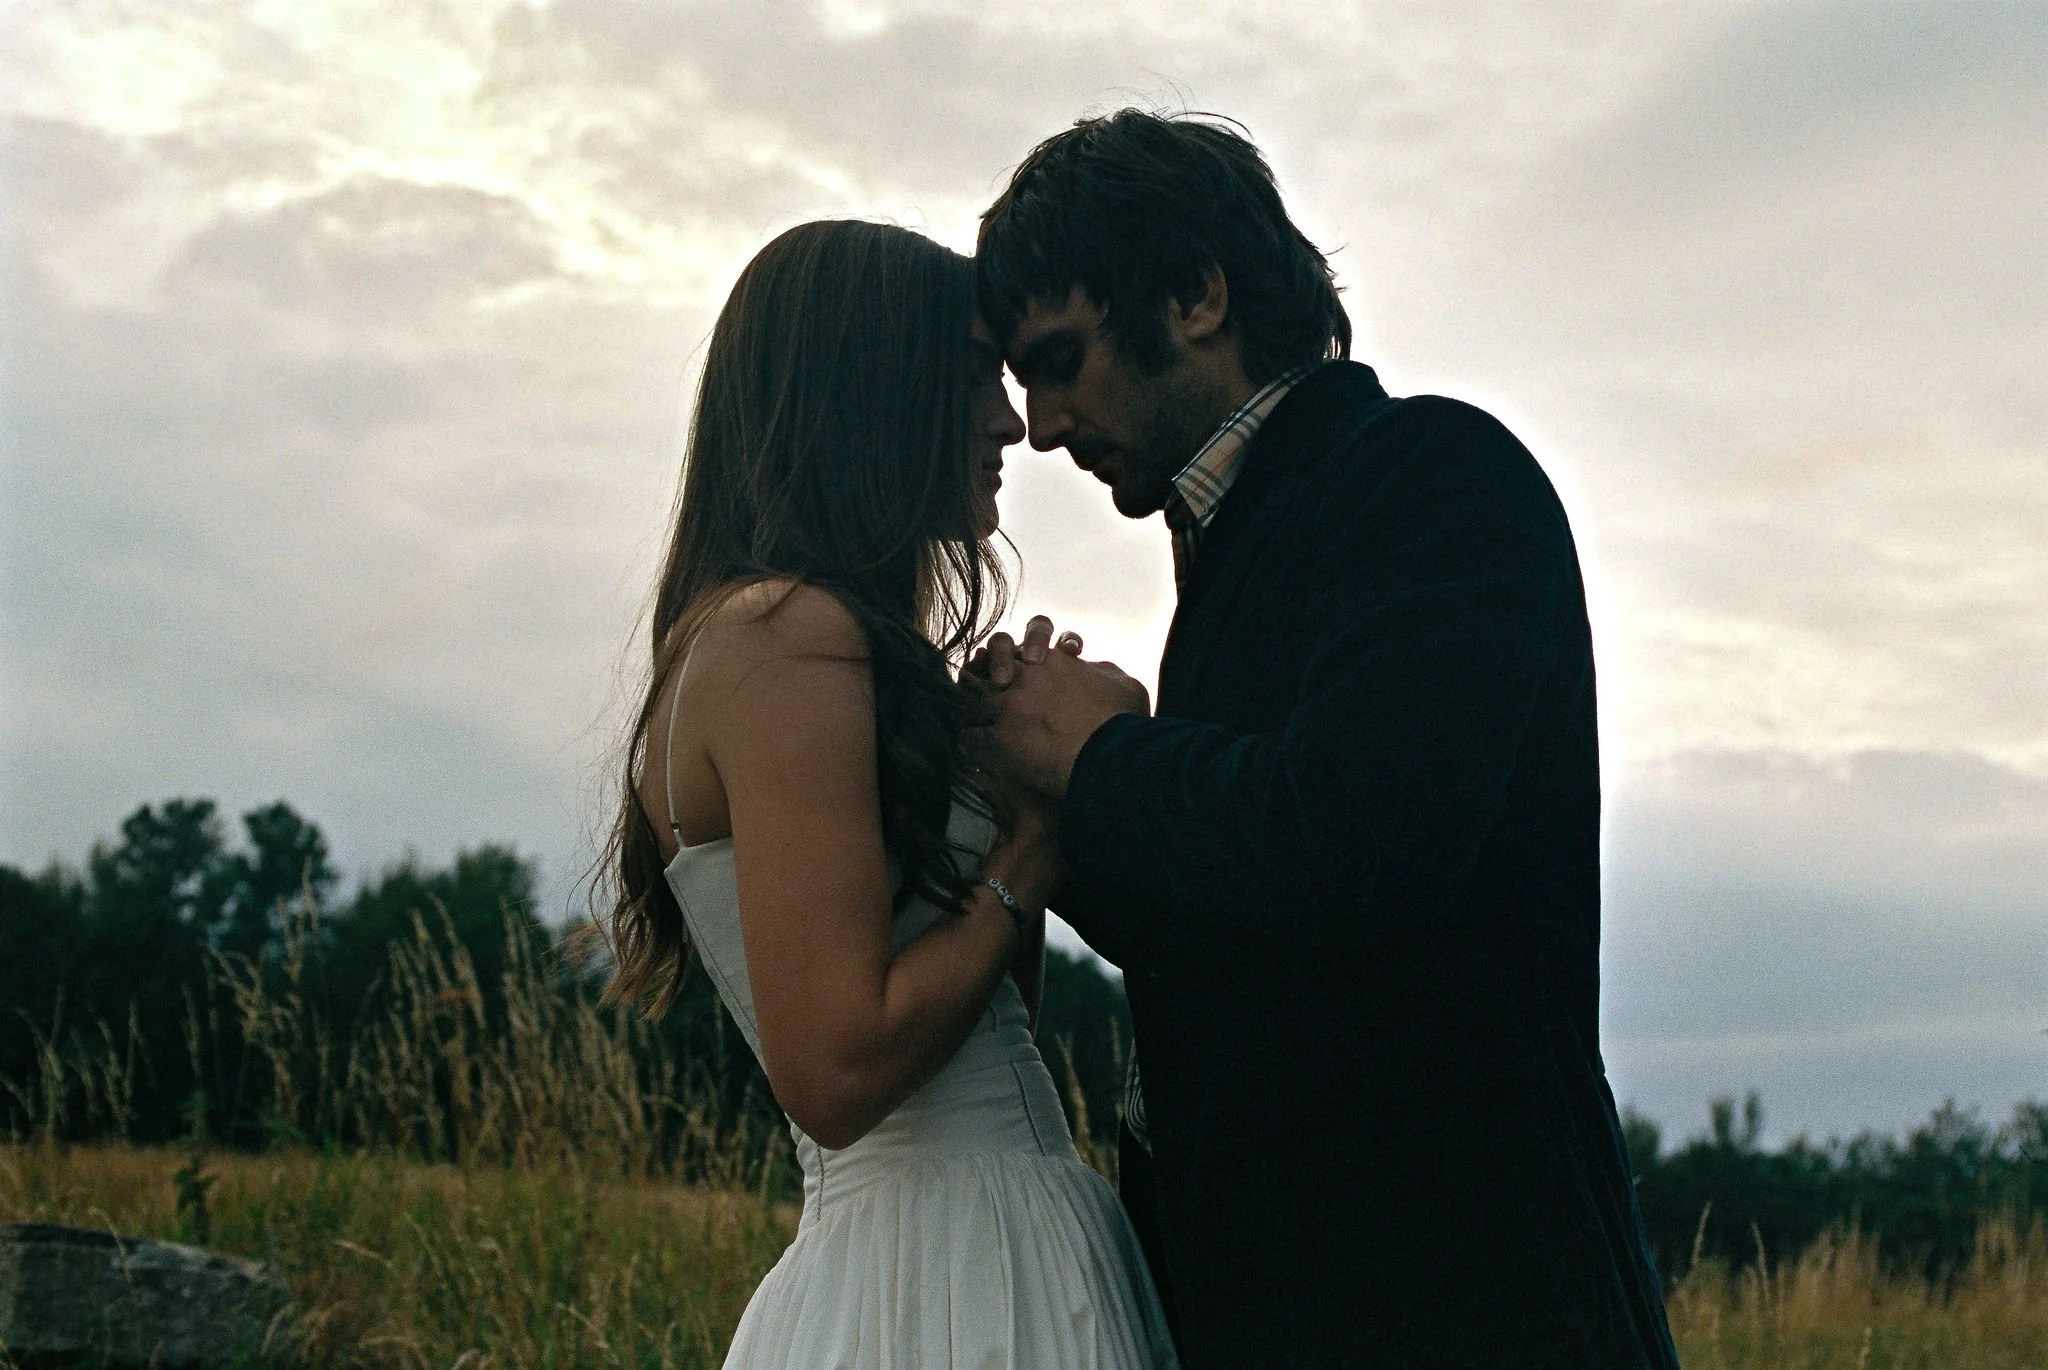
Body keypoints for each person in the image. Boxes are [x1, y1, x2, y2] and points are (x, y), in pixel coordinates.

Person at [972, 111, 1682, 1368]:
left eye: (1061, 358)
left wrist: (1098, 760)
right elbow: (1257, 932)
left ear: (1196, 294)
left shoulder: (1429, 475)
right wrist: (1039, 803)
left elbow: (1359, 837)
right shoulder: (1241, 545)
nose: (1037, 422)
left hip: (1462, 1307)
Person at [599, 220, 1178, 1369]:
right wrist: (1030, 837)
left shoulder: (792, 646)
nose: (1010, 420)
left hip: (968, 1237)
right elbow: (836, 1066)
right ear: (868, 390)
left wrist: (999, 755)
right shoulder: (785, 640)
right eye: (970, 375)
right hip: (952, 1265)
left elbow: (990, 1018)